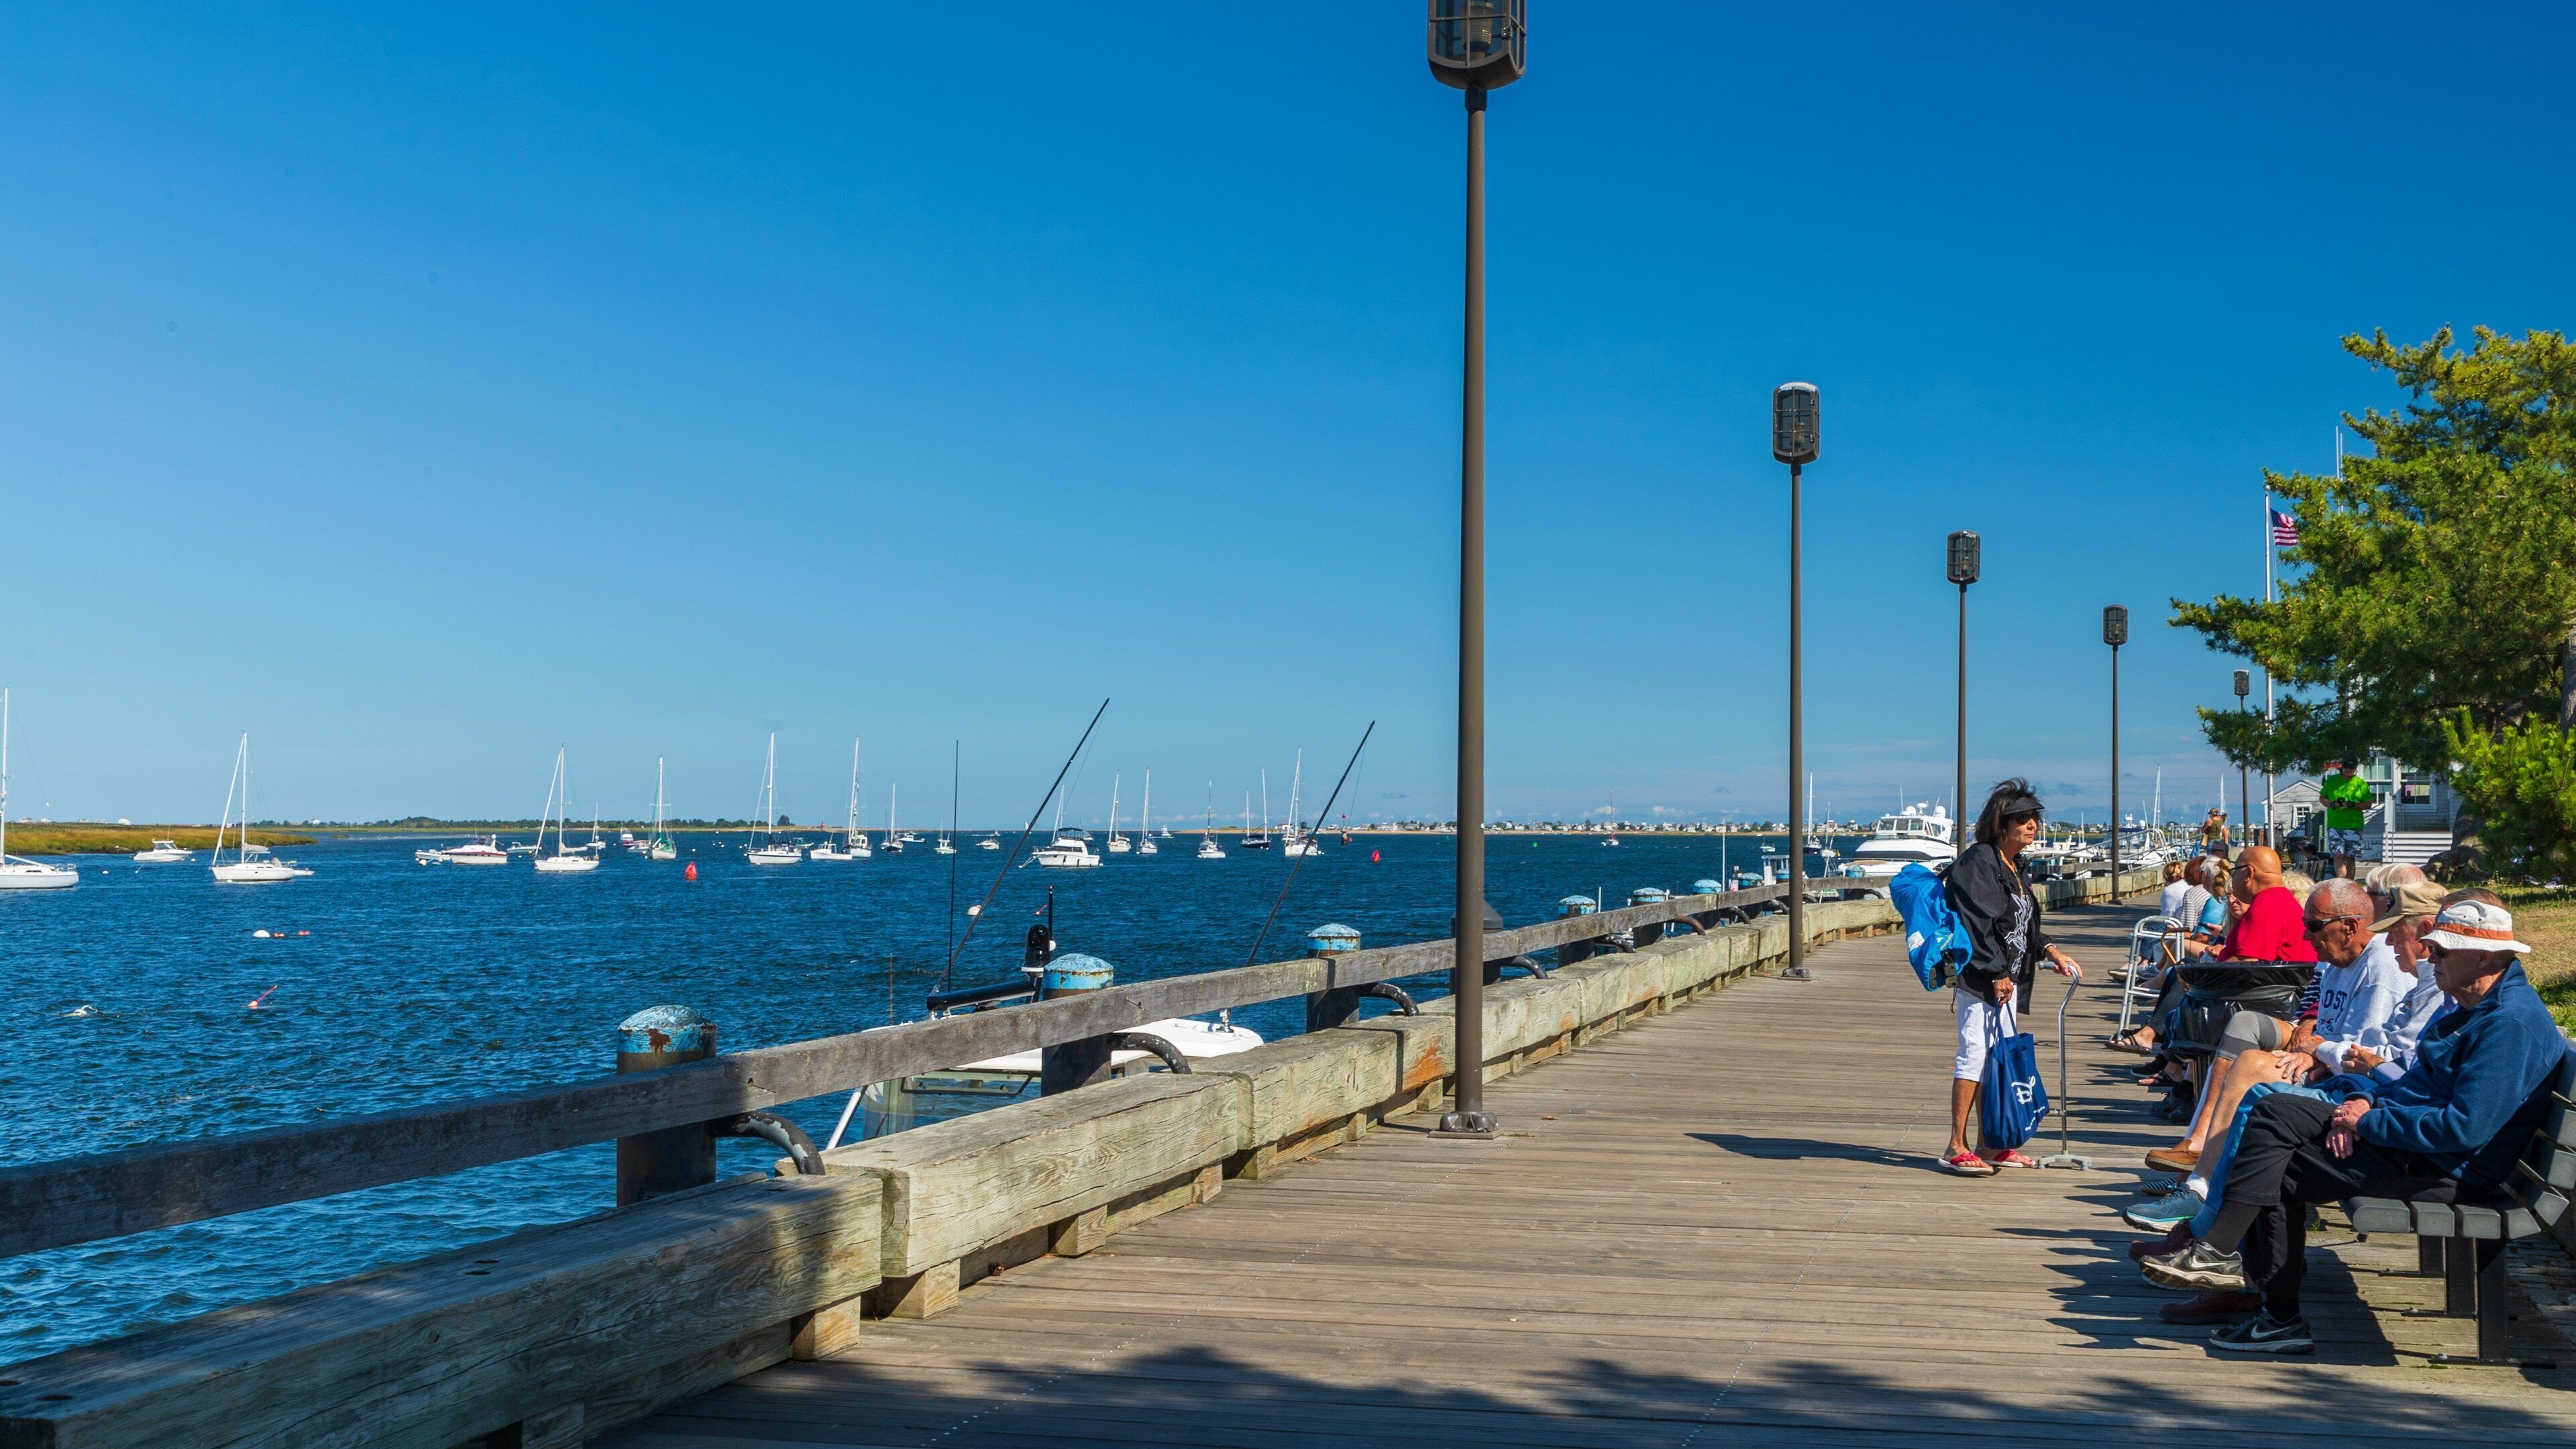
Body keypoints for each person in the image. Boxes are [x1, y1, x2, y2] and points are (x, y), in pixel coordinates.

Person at [2139, 899, 2571, 1354]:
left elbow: (2463, 1129)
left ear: (2483, 958)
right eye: (2431, 948)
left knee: (2275, 1139)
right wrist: (2362, 1099)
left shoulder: (2509, 1025)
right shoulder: (2474, 1006)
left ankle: (2230, 1264)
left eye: (2441, 951)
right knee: (2274, 1133)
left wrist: (2370, 1123)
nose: (2431, 958)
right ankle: (2256, 1295)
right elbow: (2415, 1083)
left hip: (2452, 1171)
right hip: (2418, 1147)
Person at [2123, 879, 2408, 1229]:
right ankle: (2198, 1162)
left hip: (2350, 1082)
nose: (2306, 937)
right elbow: (2317, 1009)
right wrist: (2307, 1030)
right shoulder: (2335, 959)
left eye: (2314, 926)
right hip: (2322, 1053)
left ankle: (2200, 1186)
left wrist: (2317, 1053)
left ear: (2350, 927)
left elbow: (2359, 1054)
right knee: (2243, 1026)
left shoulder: (2380, 967)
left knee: (2251, 1066)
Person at [1939, 779, 2086, 1175]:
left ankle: (1992, 1144)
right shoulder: (1979, 862)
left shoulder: (2014, 866)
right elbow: (1977, 924)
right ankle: (1957, 1145)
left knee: (1998, 1059)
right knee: (1974, 1055)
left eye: (2034, 818)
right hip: (1980, 979)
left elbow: (2023, 926)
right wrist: (1997, 971)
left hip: (2008, 981)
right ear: (1999, 825)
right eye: (2020, 819)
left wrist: (2050, 950)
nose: (2031, 825)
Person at [2143, 847, 2317, 1173]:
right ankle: (2196, 1145)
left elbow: (2248, 964)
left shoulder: (2267, 904)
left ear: (2248, 873)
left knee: (2207, 1025)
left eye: (2236, 870)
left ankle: (2198, 1143)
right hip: (2278, 1001)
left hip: (2271, 1006)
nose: (2232, 878)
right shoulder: (2280, 902)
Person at [2319, 760, 2371, 879]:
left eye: (2352, 769)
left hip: (2354, 826)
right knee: (2338, 855)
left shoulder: (2361, 783)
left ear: (2355, 769)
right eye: (2347, 768)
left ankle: (2350, 883)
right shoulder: (2332, 780)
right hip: (2334, 825)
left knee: (2350, 857)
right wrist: (2331, 804)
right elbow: (2322, 798)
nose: (2349, 771)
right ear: (2343, 768)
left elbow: (2368, 804)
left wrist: (2354, 805)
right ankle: (2341, 882)